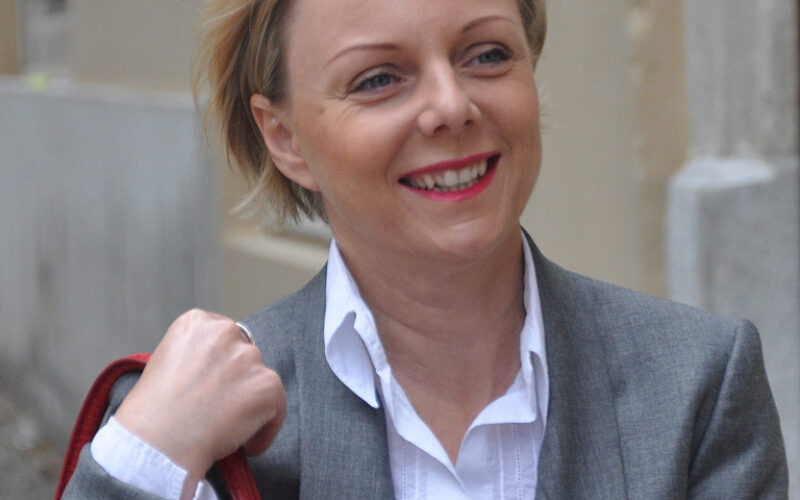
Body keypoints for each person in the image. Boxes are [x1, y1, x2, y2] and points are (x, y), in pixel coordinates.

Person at [63, 0, 788, 498]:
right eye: (379, 79)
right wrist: (141, 460)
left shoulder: (695, 383)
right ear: (285, 138)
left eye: (486, 54)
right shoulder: (206, 430)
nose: (450, 106)